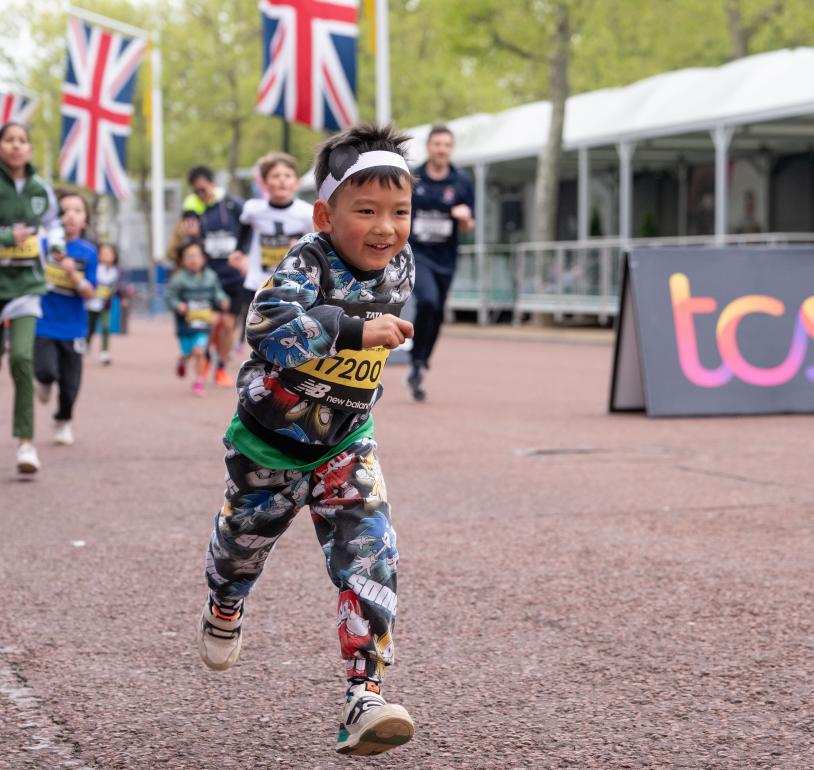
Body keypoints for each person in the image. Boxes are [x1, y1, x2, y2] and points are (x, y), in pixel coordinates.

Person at [197, 124, 416, 756]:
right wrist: (349, 329)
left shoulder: (398, 262)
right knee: (242, 551)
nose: (385, 228)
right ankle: (225, 602)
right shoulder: (307, 261)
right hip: (268, 450)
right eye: (366, 211)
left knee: (372, 558)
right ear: (325, 213)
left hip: (346, 448)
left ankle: (364, 696)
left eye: (400, 212)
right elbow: (264, 329)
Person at [0, 121, 65, 474]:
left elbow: (53, 223)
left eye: (21, 140)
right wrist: (9, 235)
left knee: (22, 359)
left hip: (26, 284)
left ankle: (26, 444)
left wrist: (55, 245)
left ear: (28, 147)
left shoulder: (41, 188)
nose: (15, 146)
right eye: (8, 140)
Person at [407, 125, 474, 401]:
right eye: (437, 144)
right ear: (429, 146)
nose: (441, 149)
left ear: (451, 148)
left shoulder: (462, 181)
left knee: (437, 313)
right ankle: (416, 357)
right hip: (418, 254)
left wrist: (464, 218)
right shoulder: (413, 178)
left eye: (447, 144)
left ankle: (420, 362)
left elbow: (470, 225)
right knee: (428, 301)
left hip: (446, 258)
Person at [34, 191, 97, 446]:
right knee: (46, 371)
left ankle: (63, 420)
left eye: (77, 211)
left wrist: (75, 276)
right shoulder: (43, 244)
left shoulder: (88, 252)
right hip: (43, 322)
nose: (70, 215)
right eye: (64, 210)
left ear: (85, 221)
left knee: (71, 386)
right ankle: (45, 381)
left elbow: (91, 292)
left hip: (73, 328)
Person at [185, 166, 244, 387]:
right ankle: (207, 358)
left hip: (234, 276)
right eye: (196, 192)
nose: (201, 194)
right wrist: (193, 237)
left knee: (228, 325)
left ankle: (220, 368)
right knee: (212, 323)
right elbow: (192, 247)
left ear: (212, 183)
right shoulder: (196, 211)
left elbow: (248, 227)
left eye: (203, 189)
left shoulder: (232, 205)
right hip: (211, 277)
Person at [230, 151, 313, 304]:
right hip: (257, 282)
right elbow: (244, 227)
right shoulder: (253, 209)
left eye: (287, 176)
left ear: (296, 182)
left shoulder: (307, 212)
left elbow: (315, 244)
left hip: (292, 283)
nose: (282, 180)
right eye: (275, 176)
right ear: (264, 183)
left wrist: (301, 248)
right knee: (251, 326)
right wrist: (239, 252)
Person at [165, 238, 229, 396]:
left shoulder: (210, 276)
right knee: (188, 352)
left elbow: (217, 292)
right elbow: (169, 297)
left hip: (203, 322)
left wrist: (222, 299)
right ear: (182, 260)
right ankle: (182, 360)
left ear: (203, 258)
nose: (193, 260)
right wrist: (178, 305)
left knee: (200, 351)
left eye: (196, 256)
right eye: (189, 256)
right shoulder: (178, 278)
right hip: (185, 324)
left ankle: (199, 381)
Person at [85, 242, 120, 365]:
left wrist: (118, 295)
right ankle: (86, 344)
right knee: (91, 328)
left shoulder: (115, 271)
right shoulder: (95, 268)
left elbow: (116, 288)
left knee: (106, 327)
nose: (107, 255)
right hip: (92, 304)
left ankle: (104, 353)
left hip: (105, 305)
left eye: (109, 253)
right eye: (104, 253)